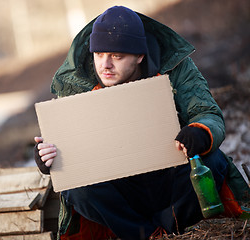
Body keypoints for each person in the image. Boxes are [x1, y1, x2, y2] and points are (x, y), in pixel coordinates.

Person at [34, 6, 250, 240]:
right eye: (98, 54)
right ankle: (143, 234)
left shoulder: (177, 70)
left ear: (139, 55)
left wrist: (199, 132)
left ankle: (170, 225)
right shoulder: (79, 85)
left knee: (213, 160)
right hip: (118, 189)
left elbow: (207, 113)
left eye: (116, 56)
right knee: (75, 188)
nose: (104, 65)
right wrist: (49, 158)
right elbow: (65, 145)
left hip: (170, 180)